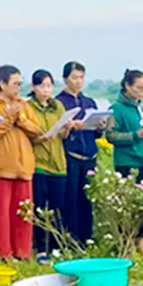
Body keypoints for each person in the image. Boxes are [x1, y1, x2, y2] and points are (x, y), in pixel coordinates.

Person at [0, 66, 42, 260]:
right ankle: (4, 253)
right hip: (1, 168)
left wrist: (21, 121)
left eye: (20, 83)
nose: (18, 88)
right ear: (2, 84)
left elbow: (37, 129)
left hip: (23, 168)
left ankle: (23, 252)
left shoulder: (23, 105)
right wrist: (9, 119)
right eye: (15, 83)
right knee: (2, 214)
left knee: (24, 213)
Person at [107, 69, 143, 255]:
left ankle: (142, 243)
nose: (142, 92)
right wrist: (135, 135)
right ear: (127, 86)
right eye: (138, 88)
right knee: (129, 206)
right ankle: (126, 243)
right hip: (127, 161)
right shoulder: (116, 109)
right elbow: (111, 135)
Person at [56, 61, 101, 246]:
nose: (78, 81)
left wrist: (100, 125)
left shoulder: (88, 102)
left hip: (89, 155)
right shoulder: (59, 102)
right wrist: (70, 126)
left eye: (81, 77)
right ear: (66, 79)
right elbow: (57, 132)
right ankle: (71, 238)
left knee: (87, 198)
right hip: (71, 155)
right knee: (71, 198)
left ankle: (87, 237)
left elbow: (97, 133)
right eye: (74, 77)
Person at [27, 70, 68, 261]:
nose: (46, 90)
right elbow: (26, 135)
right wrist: (40, 137)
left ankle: (55, 247)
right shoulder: (28, 107)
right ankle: (40, 249)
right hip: (39, 163)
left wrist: (67, 128)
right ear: (33, 87)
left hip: (58, 163)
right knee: (40, 207)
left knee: (57, 207)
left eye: (49, 86)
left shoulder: (57, 106)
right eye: (42, 86)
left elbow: (63, 135)